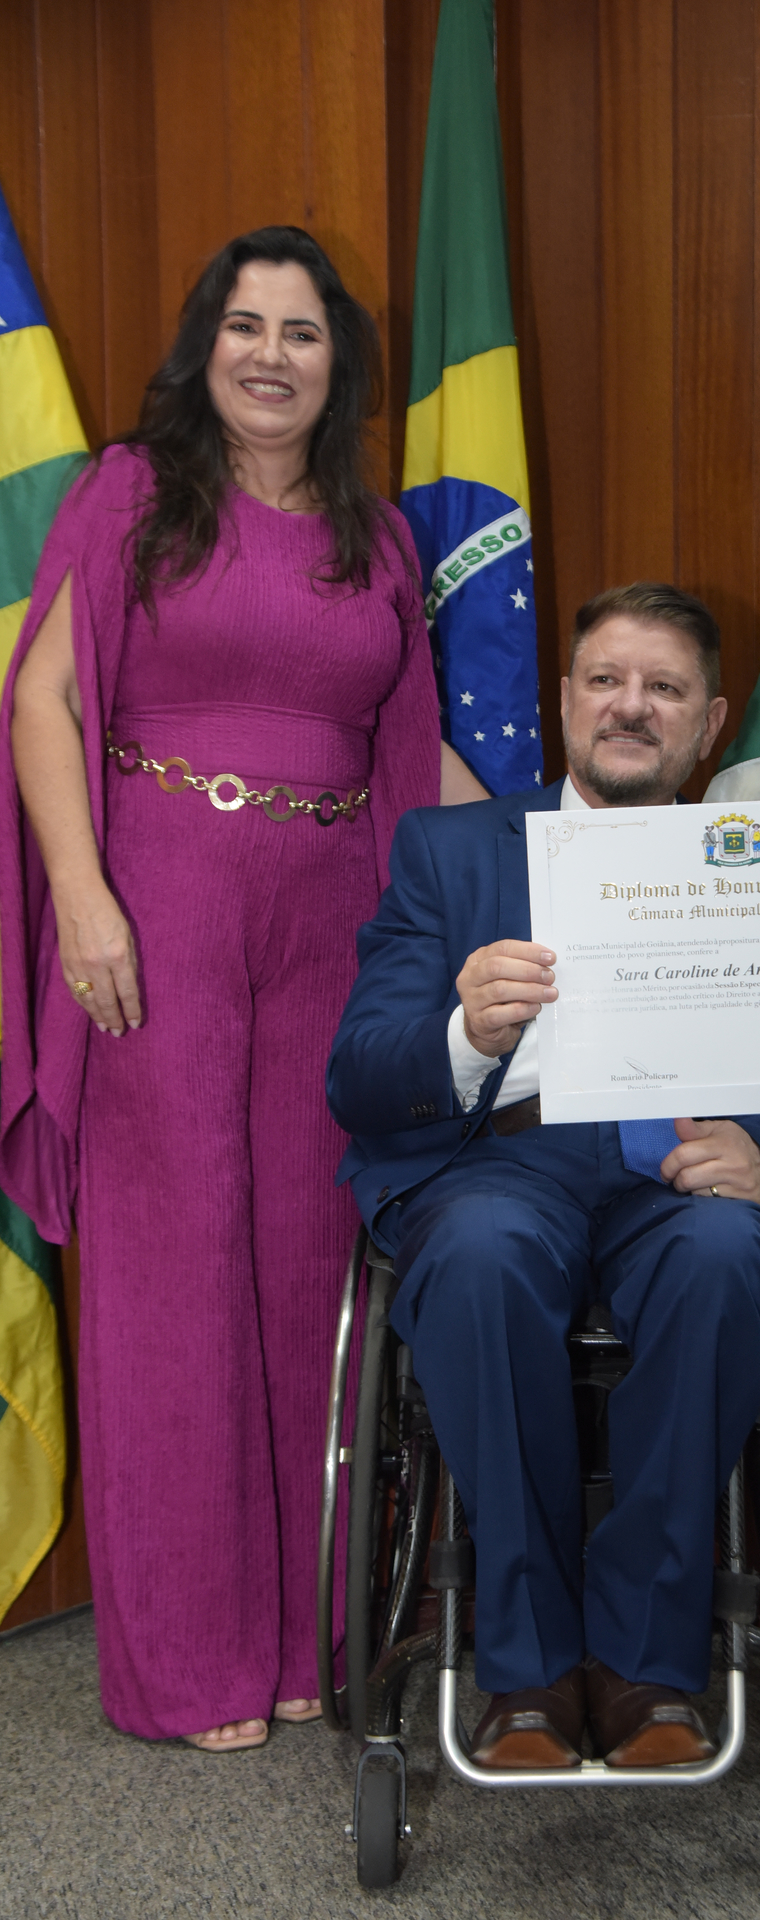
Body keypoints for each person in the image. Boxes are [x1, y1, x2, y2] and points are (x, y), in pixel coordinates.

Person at [0, 226, 485, 1753]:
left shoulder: (376, 537)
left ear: (340, 365)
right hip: (156, 914)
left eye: (303, 332)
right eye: (246, 325)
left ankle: (304, 1635)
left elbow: (412, 751)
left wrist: (575, 863)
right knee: (176, 1279)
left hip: (334, 927)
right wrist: (83, 895)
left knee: (309, 1273)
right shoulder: (130, 493)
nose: (271, 355)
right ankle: (190, 1661)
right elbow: (41, 698)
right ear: (205, 345)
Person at [328, 582, 760, 1767]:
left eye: (664, 688)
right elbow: (358, 1074)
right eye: (607, 681)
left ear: (708, 723)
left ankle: (644, 1664)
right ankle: (526, 1667)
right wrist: (463, 1031)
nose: (631, 706)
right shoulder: (449, 851)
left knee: (726, 1255)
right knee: (480, 1255)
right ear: (565, 700)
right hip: (497, 1168)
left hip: (677, 1172)